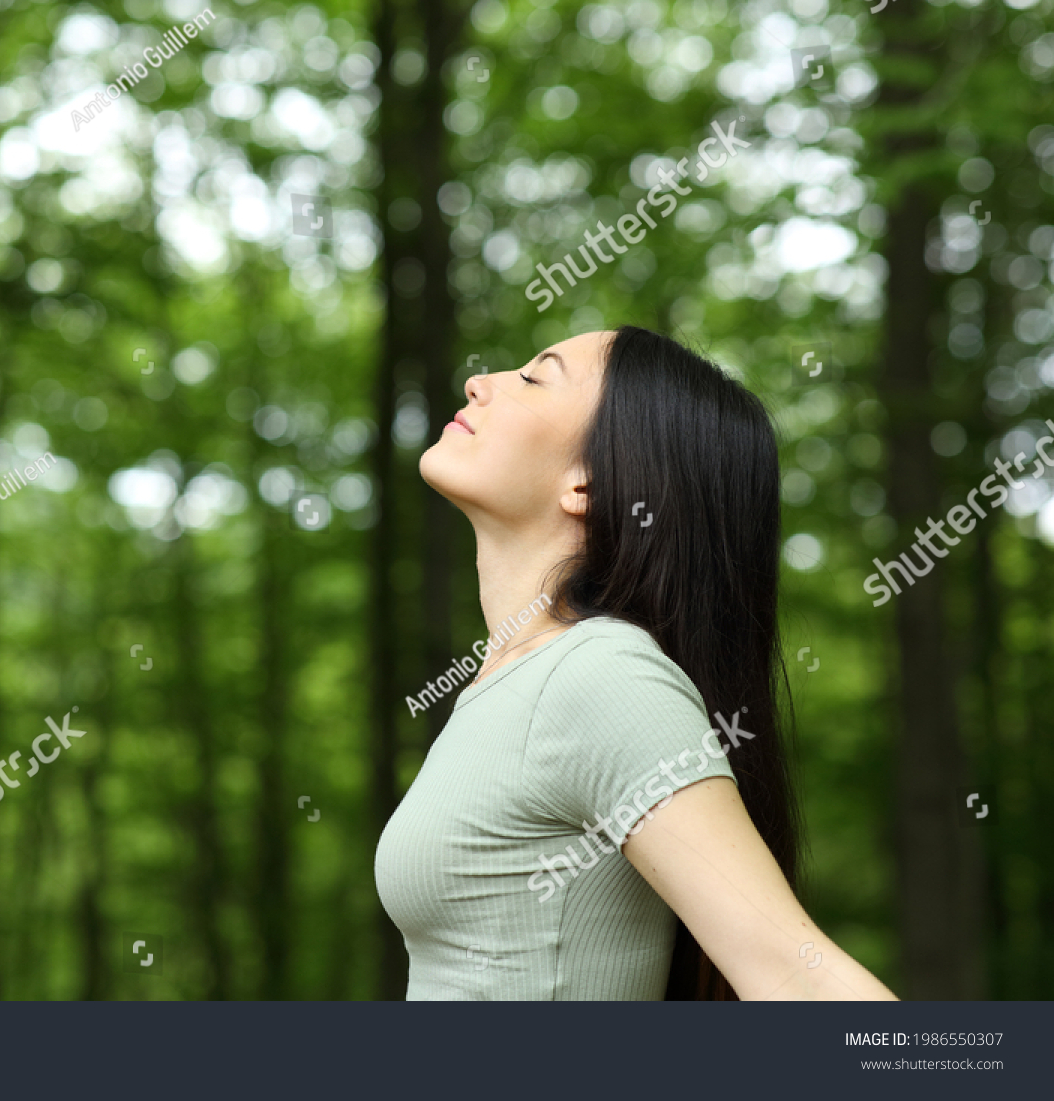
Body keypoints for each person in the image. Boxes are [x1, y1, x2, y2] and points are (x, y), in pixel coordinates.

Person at [374, 326, 896, 1000]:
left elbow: (795, 974)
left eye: (535, 378)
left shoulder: (599, 676)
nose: (479, 382)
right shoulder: (510, 680)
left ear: (587, 484)